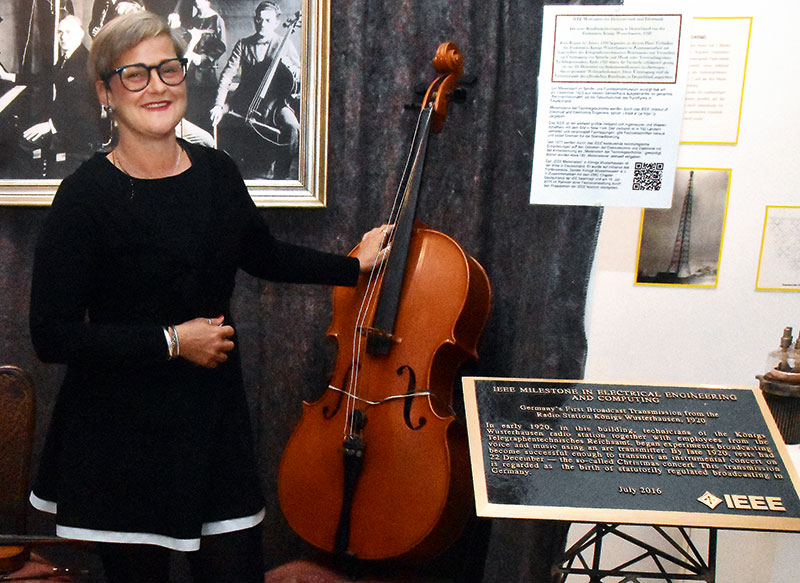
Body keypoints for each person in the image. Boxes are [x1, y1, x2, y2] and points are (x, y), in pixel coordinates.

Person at [28, 10, 387, 583]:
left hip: (208, 418)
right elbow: (52, 336)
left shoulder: (218, 172)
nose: (157, 87)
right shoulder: (82, 197)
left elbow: (262, 254)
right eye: (135, 75)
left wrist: (353, 266)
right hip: (120, 434)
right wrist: (173, 342)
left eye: (168, 70)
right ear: (104, 91)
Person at [211, 1, 301, 180]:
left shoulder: (284, 44)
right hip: (244, 98)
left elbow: (298, 77)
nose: (262, 24)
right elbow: (227, 76)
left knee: (293, 128)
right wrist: (219, 105)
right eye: (259, 20)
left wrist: (290, 67)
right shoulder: (243, 44)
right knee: (221, 121)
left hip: (276, 102)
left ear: (276, 22)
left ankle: (280, 176)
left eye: (267, 21)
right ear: (255, 21)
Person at [18, 15, 102, 177]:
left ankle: (36, 191)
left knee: (24, 144)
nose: (63, 37)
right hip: (64, 122)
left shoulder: (86, 62)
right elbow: (42, 78)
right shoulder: (65, 60)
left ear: (80, 34)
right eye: (60, 32)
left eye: (68, 32)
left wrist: (50, 125)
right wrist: (10, 77)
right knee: (23, 137)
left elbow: (80, 107)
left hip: (80, 130)